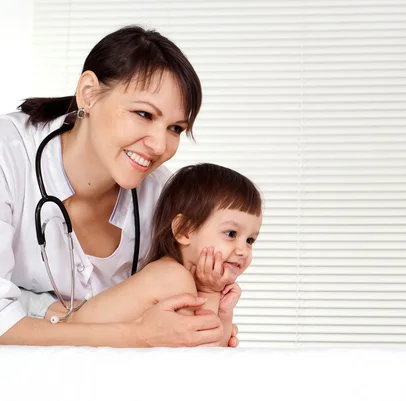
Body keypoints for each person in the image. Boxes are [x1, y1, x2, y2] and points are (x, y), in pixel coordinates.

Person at [0, 25, 239, 347]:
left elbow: (187, 307)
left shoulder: (162, 193)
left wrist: (211, 316)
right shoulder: (8, 154)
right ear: (89, 93)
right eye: (143, 114)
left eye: (175, 128)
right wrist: (135, 334)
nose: (158, 145)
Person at [45, 163, 262, 347]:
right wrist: (211, 293)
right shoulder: (172, 277)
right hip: (54, 335)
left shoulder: (189, 280)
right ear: (185, 230)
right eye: (231, 234)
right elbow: (201, 353)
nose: (243, 250)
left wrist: (223, 313)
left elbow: (216, 353)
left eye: (250, 240)